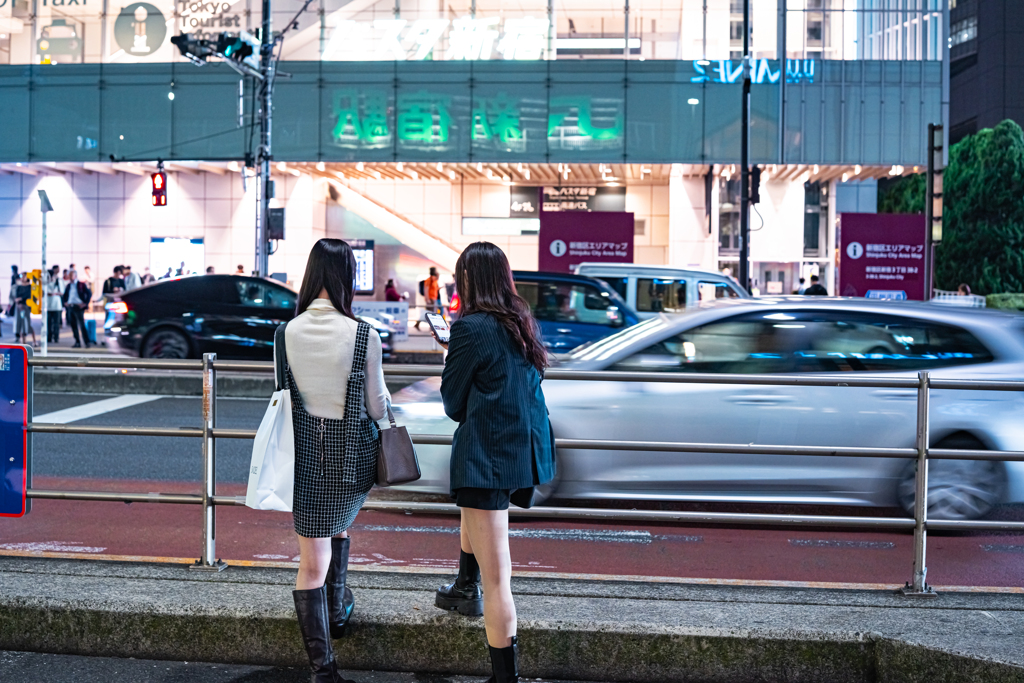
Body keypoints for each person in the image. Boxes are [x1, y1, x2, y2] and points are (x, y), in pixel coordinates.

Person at [434, 242, 555, 683]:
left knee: (499, 579)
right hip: (520, 454)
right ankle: (465, 584)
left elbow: (452, 402)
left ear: (467, 280)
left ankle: (506, 678)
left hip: (487, 456)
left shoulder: (471, 327)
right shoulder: (519, 319)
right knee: (474, 518)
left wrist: (450, 350)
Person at [278, 238, 390, 683]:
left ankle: (336, 616)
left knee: (312, 554)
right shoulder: (364, 334)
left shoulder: (286, 333)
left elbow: (284, 396)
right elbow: (377, 405)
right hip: (351, 460)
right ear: (347, 278)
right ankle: (324, 667)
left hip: (304, 457)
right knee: (327, 543)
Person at [63, 269, 92, 349]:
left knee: (82, 325)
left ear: (75, 276)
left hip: (79, 307)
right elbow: (65, 295)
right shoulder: (68, 286)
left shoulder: (81, 284)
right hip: (71, 306)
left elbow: (89, 293)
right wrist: (65, 302)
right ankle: (77, 342)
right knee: (73, 325)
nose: (70, 277)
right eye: (70, 275)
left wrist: (85, 303)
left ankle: (87, 342)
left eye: (71, 275)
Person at [13, 274, 36, 347]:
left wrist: (21, 299)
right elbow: (16, 296)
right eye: (21, 276)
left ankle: (34, 341)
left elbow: (29, 295)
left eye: (24, 276)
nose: (22, 278)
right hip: (19, 308)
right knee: (20, 323)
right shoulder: (19, 287)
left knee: (27, 324)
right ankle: (23, 341)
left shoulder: (30, 287)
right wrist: (18, 300)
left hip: (26, 307)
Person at [46, 266, 63, 344]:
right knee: (48, 323)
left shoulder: (59, 281)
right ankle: (49, 337)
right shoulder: (45, 283)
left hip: (57, 306)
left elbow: (62, 292)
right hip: (47, 306)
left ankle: (56, 337)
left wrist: (54, 293)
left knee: (56, 323)